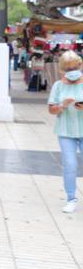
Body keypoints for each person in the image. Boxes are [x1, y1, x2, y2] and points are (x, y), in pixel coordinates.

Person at [47, 51, 83, 213]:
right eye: (68, 69)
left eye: (74, 67)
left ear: (80, 66)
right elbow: (51, 110)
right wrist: (62, 106)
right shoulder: (58, 86)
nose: (72, 71)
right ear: (62, 69)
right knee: (70, 165)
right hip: (65, 131)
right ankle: (71, 198)